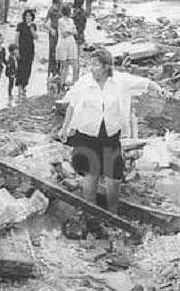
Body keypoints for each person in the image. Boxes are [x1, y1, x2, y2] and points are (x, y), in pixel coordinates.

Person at [59, 48, 164, 214]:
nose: (91, 68)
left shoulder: (120, 81)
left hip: (110, 136)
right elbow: (72, 104)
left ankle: (112, 212)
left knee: (113, 178)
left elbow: (144, 83)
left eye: (95, 65)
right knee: (90, 175)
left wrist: (158, 89)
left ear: (106, 66)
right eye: (90, 64)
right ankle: (91, 213)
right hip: (87, 135)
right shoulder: (84, 82)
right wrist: (65, 127)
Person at [15, 9, 38, 97]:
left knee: (28, 67)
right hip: (21, 48)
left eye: (30, 16)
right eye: (26, 16)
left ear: (32, 17)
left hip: (30, 49)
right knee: (21, 67)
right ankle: (20, 86)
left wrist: (32, 29)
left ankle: (24, 85)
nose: (28, 17)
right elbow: (16, 37)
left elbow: (36, 37)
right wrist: (16, 49)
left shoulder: (33, 26)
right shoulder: (20, 25)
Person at [56, 6, 78, 86]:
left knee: (74, 62)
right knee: (63, 64)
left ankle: (74, 82)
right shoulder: (60, 21)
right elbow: (64, 34)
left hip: (71, 43)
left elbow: (75, 32)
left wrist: (70, 32)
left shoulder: (71, 20)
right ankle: (62, 82)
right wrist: (71, 31)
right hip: (63, 43)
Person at [44, 0, 63, 77]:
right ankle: (52, 70)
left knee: (60, 51)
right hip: (54, 32)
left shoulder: (62, 8)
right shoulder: (52, 9)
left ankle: (58, 69)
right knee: (53, 51)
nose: (62, 0)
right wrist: (50, 29)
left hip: (61, 32)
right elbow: (44, 23)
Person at [72, 0, 88, 83]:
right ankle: (77, 78)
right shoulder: (83, 12)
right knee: (78, 57)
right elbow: (84, 25)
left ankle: (75, 78)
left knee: (74, 58)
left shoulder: (75, 13)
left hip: (74, 36)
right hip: (80, 35)